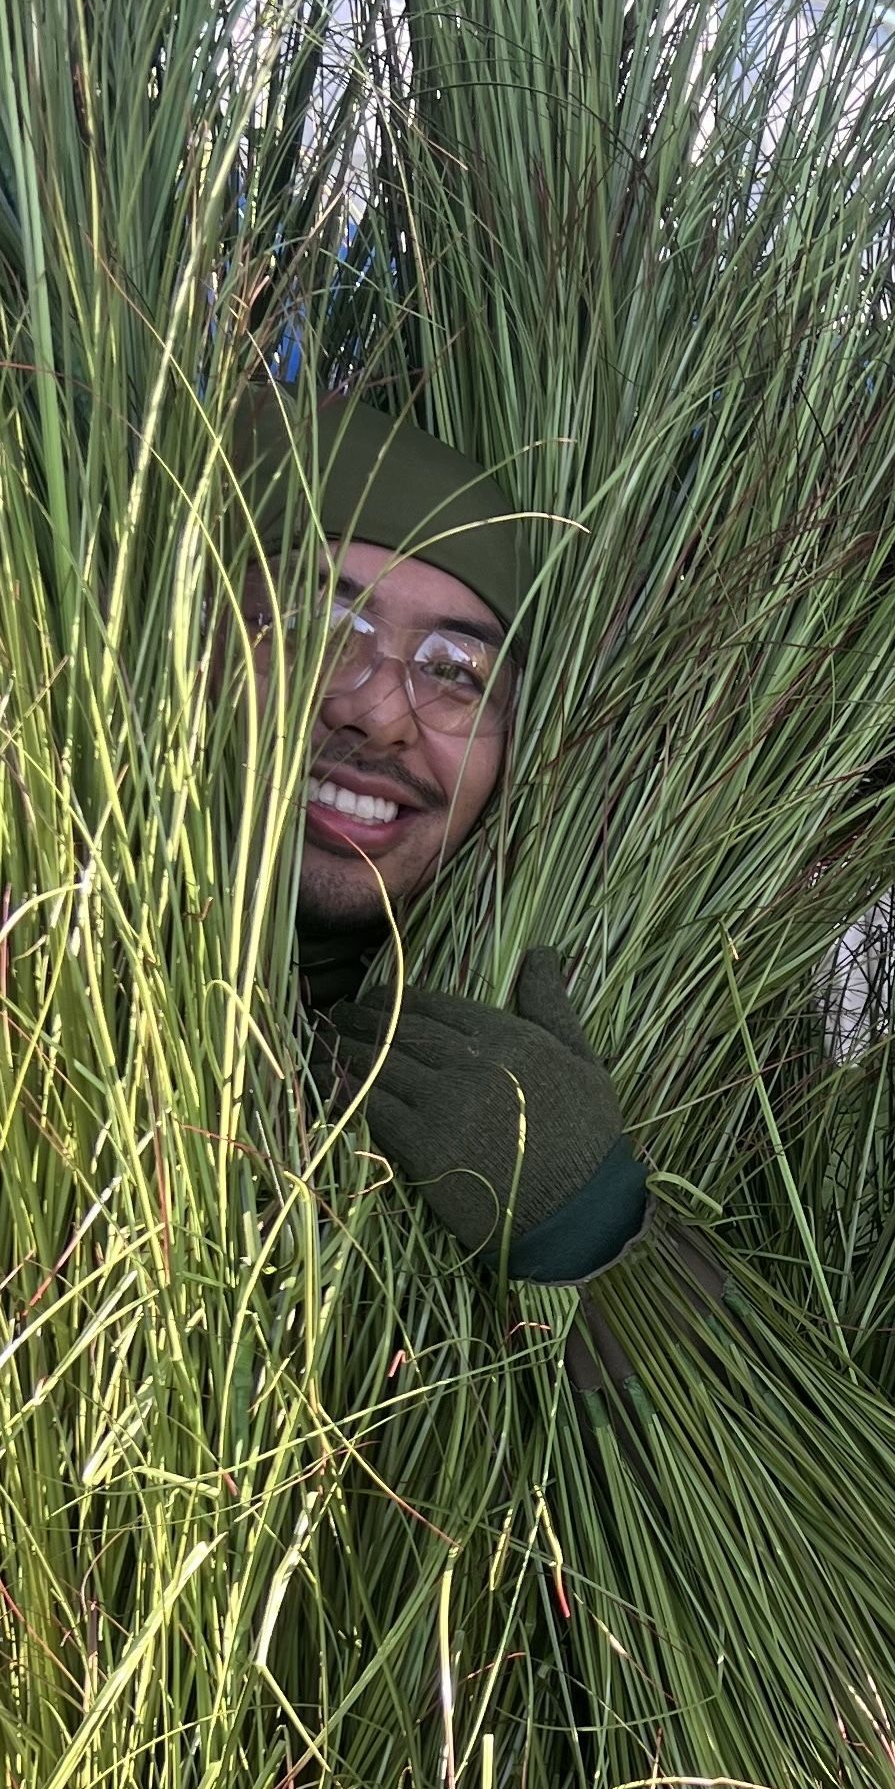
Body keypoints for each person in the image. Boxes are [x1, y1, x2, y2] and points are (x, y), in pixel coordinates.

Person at [244, 394, 651, 1287]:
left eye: (455, 672)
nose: (379, 713)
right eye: (316, 626)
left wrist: (590, 1230)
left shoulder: (616, 1045)